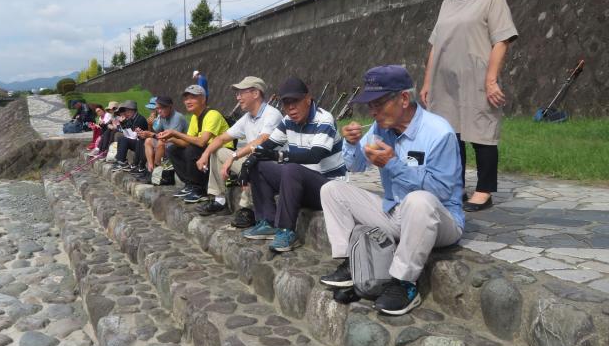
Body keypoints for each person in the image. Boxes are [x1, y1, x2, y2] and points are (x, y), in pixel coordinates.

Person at [320, 65, 464, 316]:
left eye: (379, 104)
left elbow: (441, 191)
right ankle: (351, 264)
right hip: (395, 211)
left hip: (441, 220)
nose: (373, 112)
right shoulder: (379, 129)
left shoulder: (439, 133)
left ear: (404, 99)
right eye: (370, 106)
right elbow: (355, 167)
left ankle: (404, 283)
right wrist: (352, 144)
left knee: (418, 201)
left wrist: (393, 165)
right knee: (332, 189)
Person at [420, 0, 518, 212]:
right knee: (451, 135)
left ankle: (484, 191)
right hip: (445, 80)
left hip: (476, 77)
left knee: (482, 132)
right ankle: (456, 186)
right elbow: (435, 45)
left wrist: (491, 80)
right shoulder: (446, 4)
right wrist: (428, 82)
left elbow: (502, 40)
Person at [243, 77, 346, 253]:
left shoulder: (324, 119)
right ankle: (268, 221)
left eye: (295, 101)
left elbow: (315, 155)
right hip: (300, 184)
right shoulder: (288, 120)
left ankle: (286, 231)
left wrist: (280, 155)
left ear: (308, 99)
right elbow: (267, 146)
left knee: (291, 167)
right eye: (286, 103)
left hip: (328, 188)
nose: (291, 107)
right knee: (259, 164)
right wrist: (248, 162)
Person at [194, 76, 281, 227]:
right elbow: (221, 139)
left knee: (253, 161)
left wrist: (234, 156)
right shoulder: (247, 118)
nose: (238, 97)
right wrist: (205, 155)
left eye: (241, 93)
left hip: (272, 167)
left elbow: (262, 141)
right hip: (253, 160)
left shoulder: (272, 114)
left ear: (255, 94)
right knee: (218, 151)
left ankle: (247, 210)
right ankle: (219, 200)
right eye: (237, 94)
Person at [160, 84, 230, 203]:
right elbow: (186, 142)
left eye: (192, 98)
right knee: (172, 149)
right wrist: (171, 139)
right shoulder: (194, 117)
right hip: (205, 152)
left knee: (192, 149)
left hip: (220, 153)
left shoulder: (213, 114)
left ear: (203, 99)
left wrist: (175, 133)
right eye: (186, 98)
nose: (188, 101)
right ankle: (190, 184)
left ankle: (200, 189)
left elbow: (202, 141)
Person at [133, 95, 187, 183]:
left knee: (160, 143)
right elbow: (156, 132)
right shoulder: (163, 117)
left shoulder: (177, 117)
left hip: (179, 146)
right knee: (148, 141)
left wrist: (151, 134)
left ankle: (157, 172)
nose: (159, 111)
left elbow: (169, 138)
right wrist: (147, 129)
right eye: (158, 108)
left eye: (162, 108)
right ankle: (150, 170)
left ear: (170, 107)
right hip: (168, 143)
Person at [110, 100, 148, 171]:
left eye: (127, 111)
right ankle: (120, 160)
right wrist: (123, 124)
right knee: (121, 138)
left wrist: (125, 123)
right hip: (135, 142)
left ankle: (121, 162)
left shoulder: (140, 119)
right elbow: (126, 134)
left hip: (141, 144)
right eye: (125, 111)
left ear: (133, 110)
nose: (125, 113)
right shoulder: (131, 118)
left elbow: (134, 136)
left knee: (123, 139)